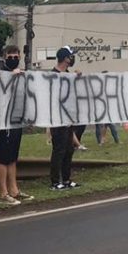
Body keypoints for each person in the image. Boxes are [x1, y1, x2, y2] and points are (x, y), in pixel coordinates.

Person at [0, 45, 33, 204]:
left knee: (13, 157)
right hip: (4, 121)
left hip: (17, 120)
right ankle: (3, 193)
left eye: (16, 56)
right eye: (10, 56)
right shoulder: (1, 74)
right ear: (4, 58)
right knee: (3, 157)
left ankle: (14, 189)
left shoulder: (21, 74)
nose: (13, 59)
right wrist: (11, 76)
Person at [49, 47, 79, 189]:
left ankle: (66, 179)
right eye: (70, 57)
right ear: (65, 58)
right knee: (59, 150)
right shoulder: (53, 74)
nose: (72, 59)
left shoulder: (68, 75)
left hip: (69, 117)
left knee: (69, 149)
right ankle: (55, 181)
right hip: (57, 118)